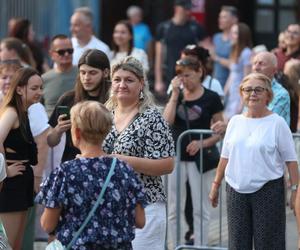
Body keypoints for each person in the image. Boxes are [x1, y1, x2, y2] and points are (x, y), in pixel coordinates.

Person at [36, 100, 146, 249]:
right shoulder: (124, 170)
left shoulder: (65, 172)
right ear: (107, 131)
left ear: (77, 132)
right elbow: (140, 221)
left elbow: (47, 225)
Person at [209, 72, 299, 250]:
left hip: (268, 190)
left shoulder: (277, 123)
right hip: (235, 189)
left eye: (258, 90)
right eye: (248, 89)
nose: (253, 94)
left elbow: (291, 161)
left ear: (268, 95)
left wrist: (295, 190)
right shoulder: (234, 122)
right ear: (241, 93)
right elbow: (225, 157)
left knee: (268, 243)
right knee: (237, 243)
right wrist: (215, 184)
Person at [103, 56, 174, 250]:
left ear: (141, 84)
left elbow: (167, 165)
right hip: (109, 207)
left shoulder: (152, 117)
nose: (122, 84)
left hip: (146, 206)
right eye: (117, 79)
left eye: (129, 80)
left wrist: (121, 160)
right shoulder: (103, 114)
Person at [163, 56, 223, 247]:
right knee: (173, 208)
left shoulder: (211, 97)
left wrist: (202, 143)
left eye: (188, 75)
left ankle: (202, 244)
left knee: (200, 207)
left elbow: (220, 131)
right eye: (180, 76)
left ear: (199, 73)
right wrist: (174, 95)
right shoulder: (177, 94)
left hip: (200, 159)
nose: (184, 80)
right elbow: (166, 122)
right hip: (176, 157)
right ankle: (176, 244)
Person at [0, 67, 42, 249]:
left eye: (41, 87)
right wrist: (5, 170)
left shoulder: (23, 113)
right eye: (34, 88)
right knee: (8, 245)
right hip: (12, 185)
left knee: (16, 244)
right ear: (19, 89)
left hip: (21, 182)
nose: (39, 92)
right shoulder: (12, 112)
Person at [47, 49, 111, 162]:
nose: (86, 78)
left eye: (92, 73)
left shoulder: (113, 101)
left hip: (105, 164)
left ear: (105, 73)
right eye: (83, 72)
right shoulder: (67, 99)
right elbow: (51, 141)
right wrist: (58, 130)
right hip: (71, 165)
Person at [154, 0, 206, 96]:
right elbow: (159, 56)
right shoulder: (164, 27)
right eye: (186, 8)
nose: (188, 12)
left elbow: (204, 54)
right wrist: (158, 80)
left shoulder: (195, 27)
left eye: (190, 9)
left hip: (191, 75)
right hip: (170, 74)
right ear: (176, 8)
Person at [220, 22, 252, 120]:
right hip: (232, 92)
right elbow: (232, 75)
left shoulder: (246, 52)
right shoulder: (234, 50)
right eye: (232, 32)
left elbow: (247, 78)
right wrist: (223, 94)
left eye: (235, 33)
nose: (231, 35)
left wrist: (242, 101)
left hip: (240, 94)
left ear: (242, 36)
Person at [42, 34, 77, 117]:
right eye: (61, 52)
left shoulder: (83, 74)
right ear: (51, 54)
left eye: (70, 51)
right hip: (51, 127)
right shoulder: (43, 79)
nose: (66, 54)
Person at [252, 51, 291, 125]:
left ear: (274, 70)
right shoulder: (249, 90)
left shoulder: (281, 95)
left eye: (261, 63)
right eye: (254, 63)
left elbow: (267, 124)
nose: (256, 68)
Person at [212, 5, 238, 88]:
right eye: (220, 17)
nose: (220, 20)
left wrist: (216, 58)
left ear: (234, 19)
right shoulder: (216, 37)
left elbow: (234, 65)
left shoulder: (237, 40)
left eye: (224, 17)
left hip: (231, 85)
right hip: (215, 83)